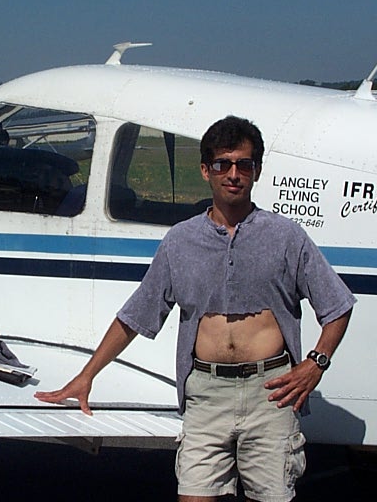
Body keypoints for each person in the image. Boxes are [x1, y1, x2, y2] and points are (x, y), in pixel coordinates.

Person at [35, 115, 355, 502]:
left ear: (256, 171)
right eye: (222, 164)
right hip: (205, 394)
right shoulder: (180, 241)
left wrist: (316, 363)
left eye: (244, 164)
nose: (233, 174)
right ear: (206, 170)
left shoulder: (286, 236)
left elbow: (337, 305)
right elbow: (135, 316)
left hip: (271, 394)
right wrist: (87, 376)